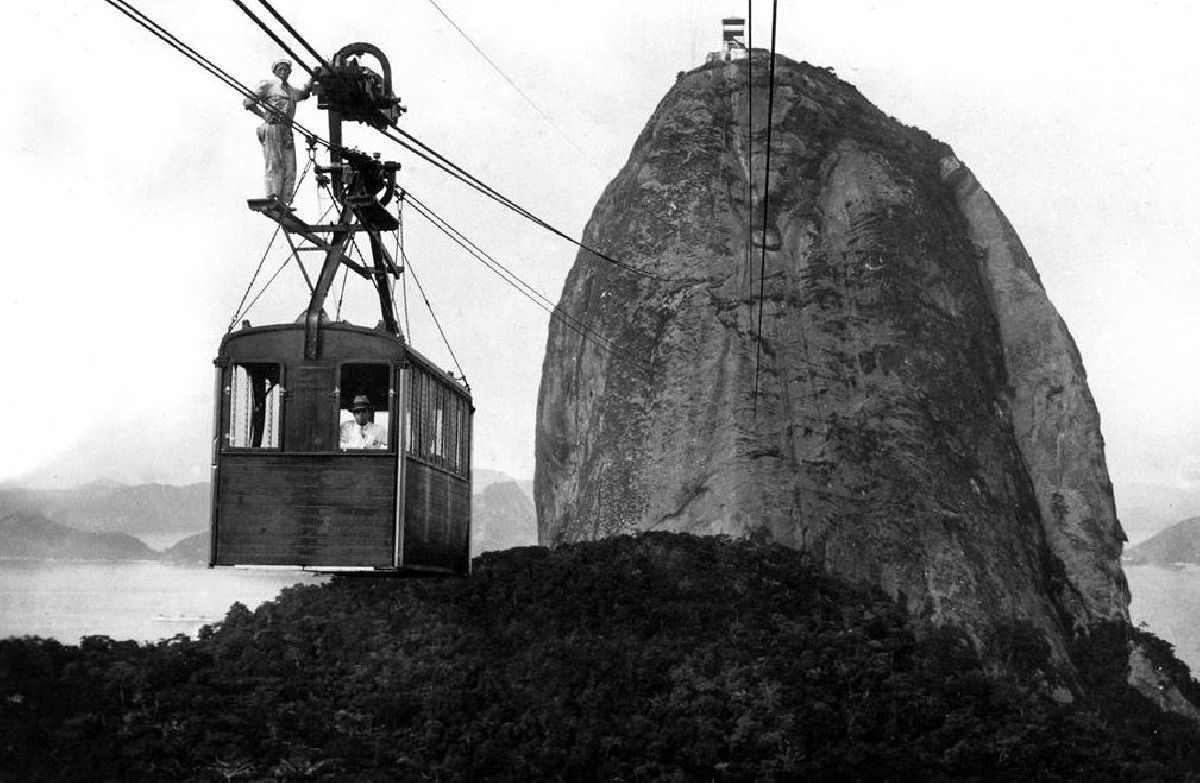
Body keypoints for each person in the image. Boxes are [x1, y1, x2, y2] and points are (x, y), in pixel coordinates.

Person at [244, 58, 312, 204]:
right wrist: (263, 115)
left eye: (286, 69)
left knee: (289, 165)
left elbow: (304, 94)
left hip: (287, 130)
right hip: (273, 127)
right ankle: (273, 194)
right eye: (280, 69)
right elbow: (248, 101)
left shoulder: (291, 90)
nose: (283, 71)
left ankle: (285, 199)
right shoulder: (268, 85)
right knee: (274, 162)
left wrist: (313, 77)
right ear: (275, 71)